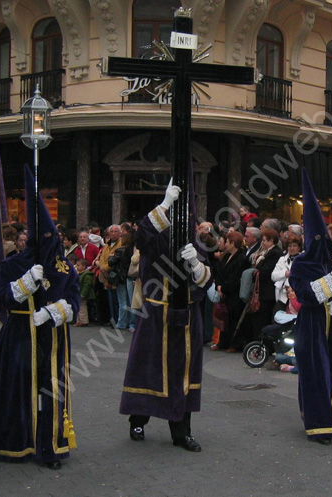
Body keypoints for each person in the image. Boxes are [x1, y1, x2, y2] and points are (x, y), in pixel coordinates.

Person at [0, 166, 80, 469]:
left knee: (50, 392)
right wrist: (25, 284)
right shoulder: (13, 265)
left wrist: (52, 312)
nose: (46, 239)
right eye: (40, 235)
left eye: (50, 234)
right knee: (18, 390)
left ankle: (49, 446)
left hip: (54, 339)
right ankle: (16, 440)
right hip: (19, 335)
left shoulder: (65, 268)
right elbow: (0, 297)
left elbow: (74, 302)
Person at [120, 182, 212, 452]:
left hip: (186, 318)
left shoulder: (195, 244)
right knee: (148, 370)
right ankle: (138, 419)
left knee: (182, 374)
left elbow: (206, 281)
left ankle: (182, 432)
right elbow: (142, 235)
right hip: (156, 315)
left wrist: (196, 263)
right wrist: (164, 203)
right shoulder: (156, 236)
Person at [289, 168, 332, 445]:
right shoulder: (301, 264)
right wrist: (328, 284)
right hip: (312, 324)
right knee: (316, 373)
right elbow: (304, 293)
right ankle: (318, 424)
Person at [214, 231, 246, 351]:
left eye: (227, 242)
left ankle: (235, 343)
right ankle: (223, 342)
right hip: (224, 290)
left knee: (234, 317)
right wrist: (219, 286)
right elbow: (220, 273)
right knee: (224, 318)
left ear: (233, 243)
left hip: (234, 293)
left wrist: (224, 288)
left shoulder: (241, 258)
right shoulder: (226, 256)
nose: (225, 244)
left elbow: (236, 277)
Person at [76, 258, 95, 327]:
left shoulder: (87, 275)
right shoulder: (79, 274)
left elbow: (87, 285)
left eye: (78, 265)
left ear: (84, 266)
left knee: (82, 307)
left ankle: (83, 321)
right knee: (79, 307)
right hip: (78, 293)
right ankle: (79, 320)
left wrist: (83, 294)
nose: (77, 267)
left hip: (83, 294)